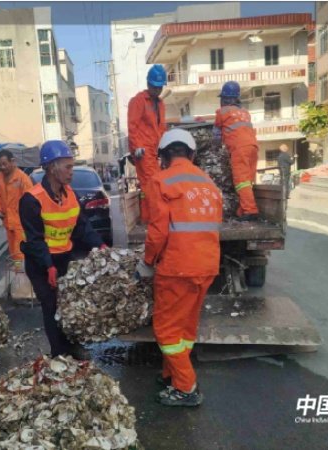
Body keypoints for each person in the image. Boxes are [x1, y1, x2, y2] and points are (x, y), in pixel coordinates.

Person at [135, 128, 223, 407]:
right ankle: (171, 374)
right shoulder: (208, 183)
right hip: (207, 265)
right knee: (185, 327)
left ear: (163, 156)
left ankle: (186, 388)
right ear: (192, 154)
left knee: (167, 330)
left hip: (177, 268)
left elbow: (158, 231)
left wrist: (147, 262)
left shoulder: (161, 181)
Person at [19, 140, 108, 358]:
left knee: (67, 303)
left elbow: (82, 227)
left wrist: (101, 244)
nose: (71, 172)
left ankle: (71, 345)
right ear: (52, 167)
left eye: (72, 166)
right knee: (51, 306)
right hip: (40, 264)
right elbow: (35, 240)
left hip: (63, 259)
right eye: (68, 167)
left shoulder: (71, 195)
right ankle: (59, 354)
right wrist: (48, 266)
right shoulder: (31, 200)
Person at [213, 81, 260, 221]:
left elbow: (216, 135)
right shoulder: (245, 112)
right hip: (253, 147)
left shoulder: (222, 112)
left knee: (241, 180)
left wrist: (216, 148)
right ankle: (243, 209)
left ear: (225, 98)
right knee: (248, 180)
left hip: (239, 149)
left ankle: (250, 210)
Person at [128, 64, 167, 224]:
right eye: (154, 86)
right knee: (152, 184)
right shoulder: (138, 101)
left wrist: (163, 148)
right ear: (148, 83)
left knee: (149, 185)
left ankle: (147, 218)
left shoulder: (161, 104)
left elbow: (161, 128)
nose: (157, 90)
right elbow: (132, 126)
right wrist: (136, 147)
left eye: (159, 87)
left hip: (155, 151)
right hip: (143, 151)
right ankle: (153, 218)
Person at [0, 149, 33, 270]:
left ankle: (20, 272)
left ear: (12, 161)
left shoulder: (22, 178)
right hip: (7, 221)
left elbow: (30, 200)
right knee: (12, 249)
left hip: (21, 222)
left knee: (19, 250)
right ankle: (18, 271)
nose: (2, 167)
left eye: (4, 164)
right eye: (0, 164)